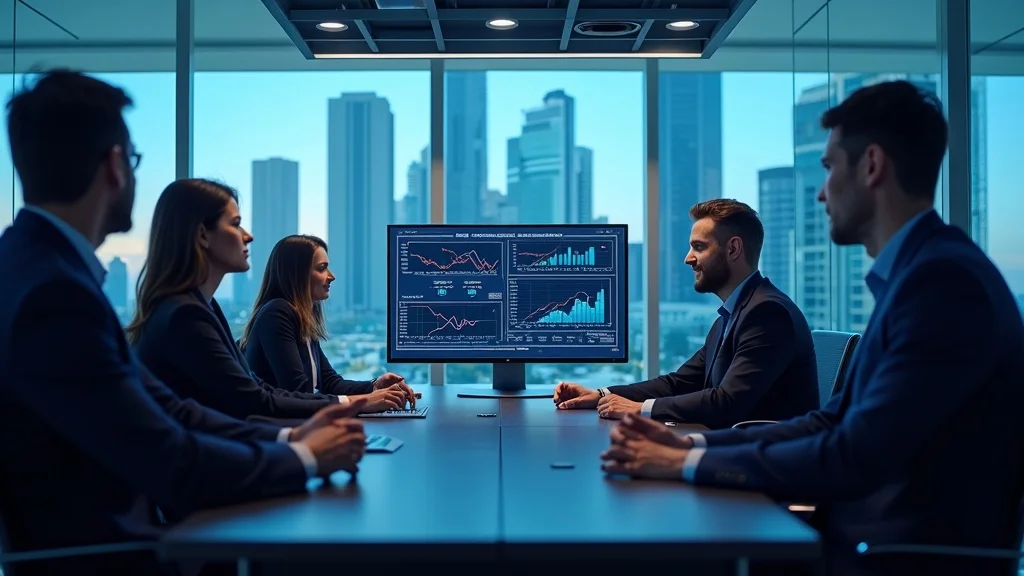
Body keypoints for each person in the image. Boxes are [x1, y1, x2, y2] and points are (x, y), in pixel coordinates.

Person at [601, 81, 1024, 576]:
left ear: (871, 165)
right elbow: (832, 421)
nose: (821, 192)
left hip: (891, 556)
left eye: (828, 169)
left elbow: (852, 455)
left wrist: (686, 466)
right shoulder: (921, 274)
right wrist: (692, 446)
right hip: (863, 536)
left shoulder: (942, 285)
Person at [0, 69, 367, 575]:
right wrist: (304, 460)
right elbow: (167, 456)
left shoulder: (33, 268)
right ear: (114, 166)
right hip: (111, 557)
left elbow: (169, 409)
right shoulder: (54, 294)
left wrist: (290, 440)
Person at [127, 179, 407, 421]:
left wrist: (371, 389)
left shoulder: (206, 307)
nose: (248, 236)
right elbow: (254, 401)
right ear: (202, 234)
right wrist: (355, 405)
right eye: (236, 224)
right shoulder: (186, 316)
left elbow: (261, 391)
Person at [553, 199, 818, 429]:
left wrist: (640, 409)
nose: (688, 258)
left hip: (763, 466)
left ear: (733, 249)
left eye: (699, 247)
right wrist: (600, 394)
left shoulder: (767, 313)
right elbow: (677, 383)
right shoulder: (730, 317)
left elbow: (728, 402)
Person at [241, 234, 416, 406]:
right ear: (298, 274)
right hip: (282, 427)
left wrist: (374, 386)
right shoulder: (277, 313)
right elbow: (299, 393)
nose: (331, 276)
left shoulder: (302, 318)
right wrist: (362, 402)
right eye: (322, 268)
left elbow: (330, 383)